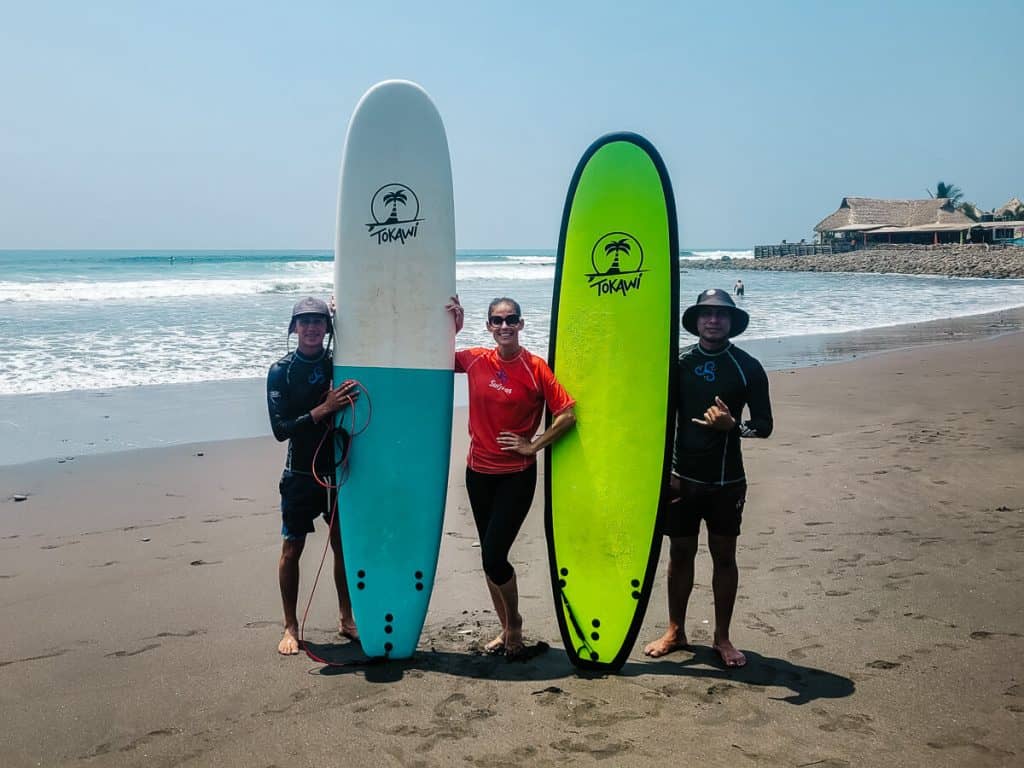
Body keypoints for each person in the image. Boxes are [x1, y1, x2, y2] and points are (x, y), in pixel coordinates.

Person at [644, 288, 773, 667]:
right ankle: (675, 630)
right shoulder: (677, 362)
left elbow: (763, 426)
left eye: (721, 314)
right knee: (679, 553)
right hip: (680, 480)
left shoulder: (747, 367)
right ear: (696, 321)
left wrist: (734, 426)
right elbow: (652, 409)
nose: (713, 320)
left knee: (724, 557)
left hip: (726, 483)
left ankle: (722, 637)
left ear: (732, 322)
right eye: (706, 314)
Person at [446, 295, 576, 657]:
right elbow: (433, 357)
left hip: (516, 476)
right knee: (490, 556)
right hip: (478, 473)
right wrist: (452, 328)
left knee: (493, 556)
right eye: (497, 320)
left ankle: (514, 624)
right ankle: (507, 630)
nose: (504, 326)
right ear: (488, 326)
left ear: (521, 324)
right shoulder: (474, 361)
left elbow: (567, 414)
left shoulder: (535, 368)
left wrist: (533, 445)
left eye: (511, 320)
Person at [267, 297, 359, 655]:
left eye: (318, 321)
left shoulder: (336, 362)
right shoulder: (281, 371)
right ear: (293, 328)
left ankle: (346, 618)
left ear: (327, 327)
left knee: (342, 546)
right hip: (300, 475)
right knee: (293, 549)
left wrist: (344, 307)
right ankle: (290, 626)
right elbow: (280, 429)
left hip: (334, 474)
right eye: (303, 321)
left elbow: (361, 336)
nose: (311, 327)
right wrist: (323, 409)